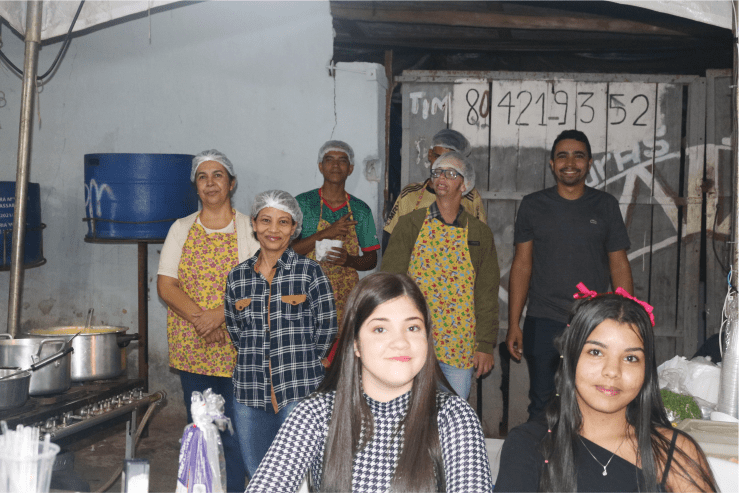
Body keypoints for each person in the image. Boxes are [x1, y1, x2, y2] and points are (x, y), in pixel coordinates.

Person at [245, 272, 493, 493]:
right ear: (356, 344)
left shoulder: (453, 417)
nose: (401, 342)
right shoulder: (316, 413)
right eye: (380, 329)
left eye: (413, 328)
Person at [495, 286, 717, 492]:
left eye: (630, 358)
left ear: (646, 370)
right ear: (570, 358)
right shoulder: (529, 445)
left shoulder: (674, 452)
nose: (612, 371)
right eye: (596, 352)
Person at [507, 129, 634, 421]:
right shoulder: (533, 205)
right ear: (552, 164)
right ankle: (541, 451)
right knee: (541, 403)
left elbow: (619, 264)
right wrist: (514, 323)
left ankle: (581, 451)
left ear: (589, 163)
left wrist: (626, 317)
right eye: (562, 156)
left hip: (592, 322)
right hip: (542, 320)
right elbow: (522, 265)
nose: (570, 162)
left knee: (588, 402)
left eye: (578, 156)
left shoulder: (605, 205)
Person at [157, 149, 257, 492]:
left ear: (231, 183)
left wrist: (221, 317)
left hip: (240, 347)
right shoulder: (181, 228)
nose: (210, 183)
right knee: (201, 428)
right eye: (202, 176)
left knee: (237, 431)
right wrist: (204, 321)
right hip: (194, 344)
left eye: (218, 176)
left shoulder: (251, 229)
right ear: (196, 185)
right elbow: (166, 285)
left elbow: (261, 284)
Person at [224, 190, 337, 479]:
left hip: (300, 392)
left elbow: (327, 326)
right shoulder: (237, 277)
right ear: (253, 224)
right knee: (259, 474)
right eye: (266, 220)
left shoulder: (310, 273)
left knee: (301, 477)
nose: (273, 229)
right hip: (249, 392)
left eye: (283, 222)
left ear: (294, 228)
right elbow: (235, 331)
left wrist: (307, 362)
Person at [381, 151, 499, 399]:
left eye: (451, 173)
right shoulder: (411, 224)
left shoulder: (479, 233)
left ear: (465, 185)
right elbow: (390, 282)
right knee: (409, 411)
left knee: (452, 413)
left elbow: (486, 292)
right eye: (437, 172)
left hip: (459, 342)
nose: (442, 177)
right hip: (413, 339)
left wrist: (485, 344)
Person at [293, 140, 380, 362]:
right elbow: (288, 253)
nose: (335, 165)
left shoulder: (360, 210)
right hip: (305, 295)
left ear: (350, 169)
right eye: (329, 160)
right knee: (306, 361)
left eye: (342, 161)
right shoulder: (303, 204)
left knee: (338, 363)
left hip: (344, 299)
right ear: (320, 166)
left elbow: (371, 259)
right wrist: (326, 233)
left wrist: (349, 260)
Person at [383, 128, 487, 243]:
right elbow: (390, 237)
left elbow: (482, 240)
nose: (441, 164)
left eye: (449, 160)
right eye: (438, 157)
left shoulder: (470, 197)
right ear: (430, 155)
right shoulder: (410, 194)